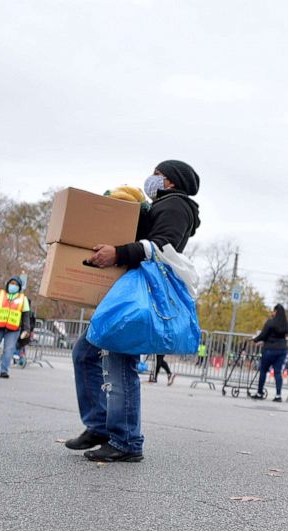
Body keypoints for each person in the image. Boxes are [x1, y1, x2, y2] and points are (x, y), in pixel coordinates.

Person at [66, 160, 201, 462]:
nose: (152, 179)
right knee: (85, 353)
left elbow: (161, 247)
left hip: (138, 296)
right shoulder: (160, 207)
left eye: (158, 175)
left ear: (171, 182)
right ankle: (99, 425)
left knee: (117, 360)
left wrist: (118, 253)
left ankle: (126, 440)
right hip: (129, 294)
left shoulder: (176, 206)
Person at [252, 304, 288, 402]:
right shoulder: (286, 324)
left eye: (273, 311)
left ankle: (260, 392)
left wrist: (255, 340)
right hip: (282, 350)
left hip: (269, 349)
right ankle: (278, 395)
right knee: (277, 372)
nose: (272, 313)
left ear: (276, 311)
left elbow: (263, 335)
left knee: (263, 370)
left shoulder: (270, 322)